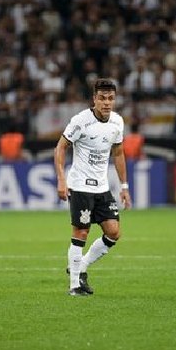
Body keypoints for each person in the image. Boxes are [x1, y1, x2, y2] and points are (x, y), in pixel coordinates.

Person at [54, 78, 132, 296]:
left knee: (113, 232)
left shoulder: (117, 122)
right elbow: (60, 148)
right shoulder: (80, 121)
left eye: (110, 99)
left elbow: (118, 154)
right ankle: (74, 286)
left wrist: (124, 186)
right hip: (80, 186)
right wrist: (61, 179)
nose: (107, 103)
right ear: (94, 99)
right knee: (81, 231)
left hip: (102, 187)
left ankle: (81, 267)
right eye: (102, 98)